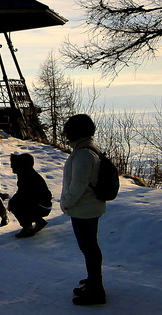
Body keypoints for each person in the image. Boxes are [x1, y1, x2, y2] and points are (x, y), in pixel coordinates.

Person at [61, 114, 107, 306]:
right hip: (91, 206)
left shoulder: (82, 154)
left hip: (83, 209)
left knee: (89, 248)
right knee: (90, 247)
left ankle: (96, 290)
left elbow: (78, 186)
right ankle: (93, 281)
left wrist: (66, 203)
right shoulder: (89, 149)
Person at [8, 153, 52, 238]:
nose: (11, 167)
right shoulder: (28, 173)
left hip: (42, 207)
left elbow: (24, 195)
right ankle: (39, 221)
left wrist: (11, 203)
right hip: (45, 205)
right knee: (18, 202)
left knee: (15, 204)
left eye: (13, 164)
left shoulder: (26, 176)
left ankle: (28, 228)